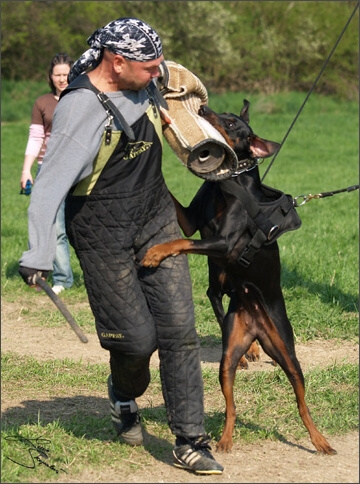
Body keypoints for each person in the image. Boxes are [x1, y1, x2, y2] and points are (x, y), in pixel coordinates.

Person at [18, 18, 224, 475]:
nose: (159, 74)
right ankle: (122, 391)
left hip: (154, 219)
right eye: (150, 67)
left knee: (179, 332)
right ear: (118, 62)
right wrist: (36, 254)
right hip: (100, 232)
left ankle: (190, 440)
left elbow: (177, 97)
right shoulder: (79, 109)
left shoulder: (147, 83)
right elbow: (48, 187)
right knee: (135, 341)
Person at [20, 53, 74, 295]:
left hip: (77, 167)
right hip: (48, 168)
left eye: (66, 74)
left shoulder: (80, 99)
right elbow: (36, 137)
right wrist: (26, 170)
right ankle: (61, 277)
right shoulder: (42, 102)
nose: (62, 79)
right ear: (51, 77)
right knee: (54, 226)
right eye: (58, 75)